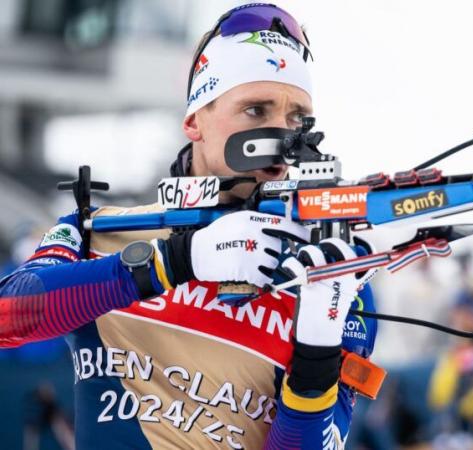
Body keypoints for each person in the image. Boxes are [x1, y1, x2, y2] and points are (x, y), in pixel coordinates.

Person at [0, 3, 377, 449]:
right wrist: (175, 260)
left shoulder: (332, 277)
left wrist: (317, 356)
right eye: (256, 109)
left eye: (297, 118)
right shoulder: (95, 231)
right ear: (195, 120)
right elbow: (9, 317)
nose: (281, 134)